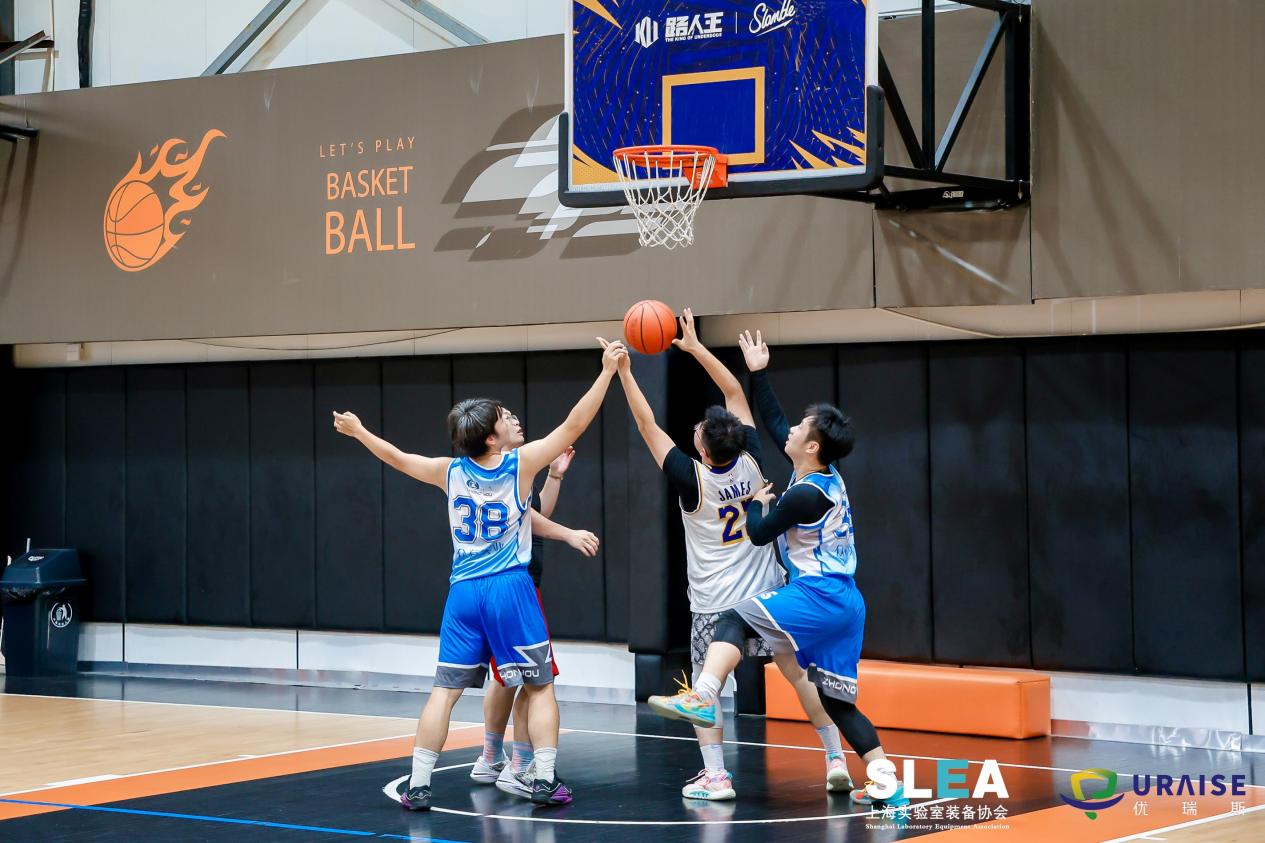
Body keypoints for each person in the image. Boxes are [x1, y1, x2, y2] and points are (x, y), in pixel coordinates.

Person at [333, 338, 626, 810]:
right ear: (491, 438)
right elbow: (575, 422)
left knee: (443, 692)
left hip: (463, 592)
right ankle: (542, 779)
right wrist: (607, 372)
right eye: (502, 418)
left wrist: (360, 431)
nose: (511, 419)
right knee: (540, 686)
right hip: (509, 585)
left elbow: (395, 457)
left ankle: (419, 784)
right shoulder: (520, 463)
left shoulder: (447, 471)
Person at [645, 329, 908, 809]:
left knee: (734, 618)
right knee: (837, 702)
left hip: (815, 594)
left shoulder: (803, 494)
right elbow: (770, 417)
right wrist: (759, 373)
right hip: (846, 602)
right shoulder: (821, 474)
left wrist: (757, 504)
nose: (790, 429)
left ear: (812, 447)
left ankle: (703, 695)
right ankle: (883, 778)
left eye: (800, 429)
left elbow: (761, 532)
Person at [617, 309, 857, 801]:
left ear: (703, 451)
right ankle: (835, 756)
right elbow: (733, 392)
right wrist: (696, 347)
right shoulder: (752, 457)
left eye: (699, 431)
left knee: (706, 691)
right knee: (797, 676)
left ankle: (716, 776)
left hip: (715, 603)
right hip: (768, 593)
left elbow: (646, 424)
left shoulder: (692, 478)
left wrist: (624, 371)